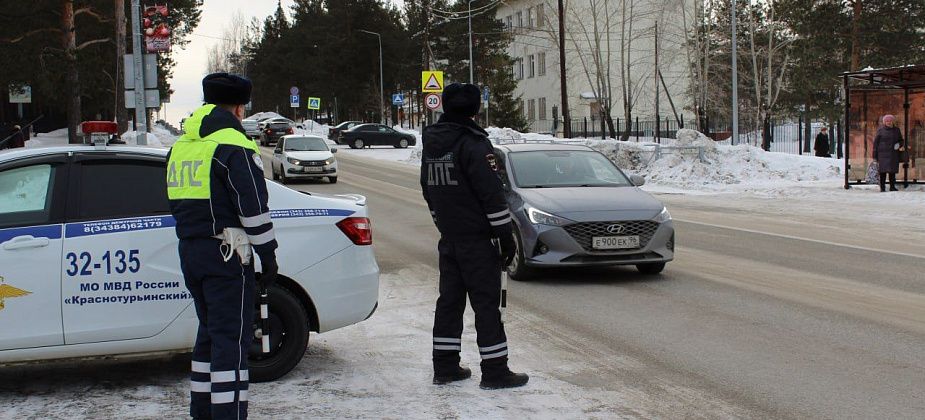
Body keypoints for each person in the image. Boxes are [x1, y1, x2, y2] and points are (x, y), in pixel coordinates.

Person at [166, 73, 278, 419]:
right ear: (239, 108)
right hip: (226, 255)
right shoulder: (233, 143)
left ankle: (201, 410)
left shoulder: (182, 145)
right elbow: (253, 207)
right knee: (232, 340)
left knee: (210, 335)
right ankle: (229, 414)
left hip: (191, 251)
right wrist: (267, 254)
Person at [420, 83, 529, 390]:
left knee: (449, 303)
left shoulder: (433, 144)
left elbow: (428, 189)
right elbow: (491, 194)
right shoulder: (474, 144)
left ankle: (445, 366)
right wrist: (505, 235)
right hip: (478, 241)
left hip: (450, 238)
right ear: (474, 109)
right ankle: (495, 371)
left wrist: (442, 223)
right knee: (486, 305)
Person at [872, 114, 904, 192]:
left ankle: (892, 187)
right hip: (882, 154)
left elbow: (901, 140)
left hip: (893, 154)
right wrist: (875, 156)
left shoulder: (897, 130)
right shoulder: (880, 130)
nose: (889, 122)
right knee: (882, 172)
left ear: (893, 122)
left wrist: (899, 144)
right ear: (884, 122)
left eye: (890, 121)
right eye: (887, 121)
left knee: (892, 172)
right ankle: (882, 187)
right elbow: (876, 143)